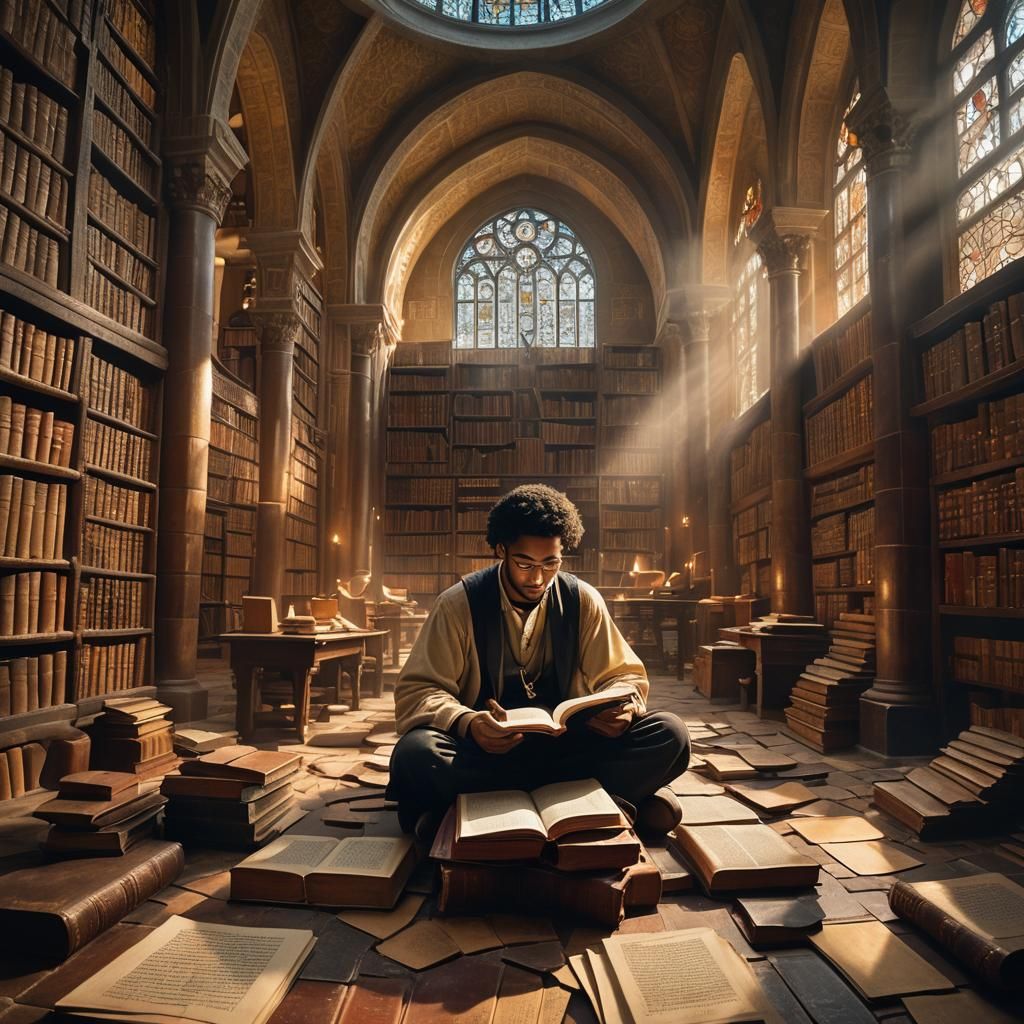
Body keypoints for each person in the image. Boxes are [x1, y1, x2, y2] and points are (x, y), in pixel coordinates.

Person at [387, 483, 690, 839]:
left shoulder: (582, 600)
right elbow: (418, 691)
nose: (537, 578)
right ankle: (606, 802)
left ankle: (457, 813)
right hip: (487, 754)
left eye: (551, 563)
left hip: (568, 751)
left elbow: (623, 676)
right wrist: (468, 723)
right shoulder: (459, 604)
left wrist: (623, 708)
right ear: (501, 550)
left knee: (671, 733)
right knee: (415, 754)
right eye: (524, 563)